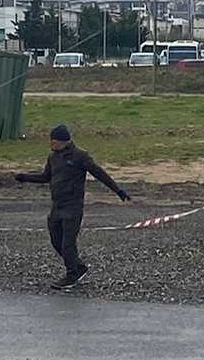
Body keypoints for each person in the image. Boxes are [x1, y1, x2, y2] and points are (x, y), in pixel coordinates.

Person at [15, 124, 130, 289]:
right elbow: (46, 177)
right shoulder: (53, 157)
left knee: (68, 244)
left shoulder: (80, 156)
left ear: (63, 141)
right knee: (56, 241)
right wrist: (25, 177)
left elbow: (99, 173)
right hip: (57, 206)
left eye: (53, 141)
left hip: (73, 207)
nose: (51, 144)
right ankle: (79, 267)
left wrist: (118, 190)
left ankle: (71, 275)